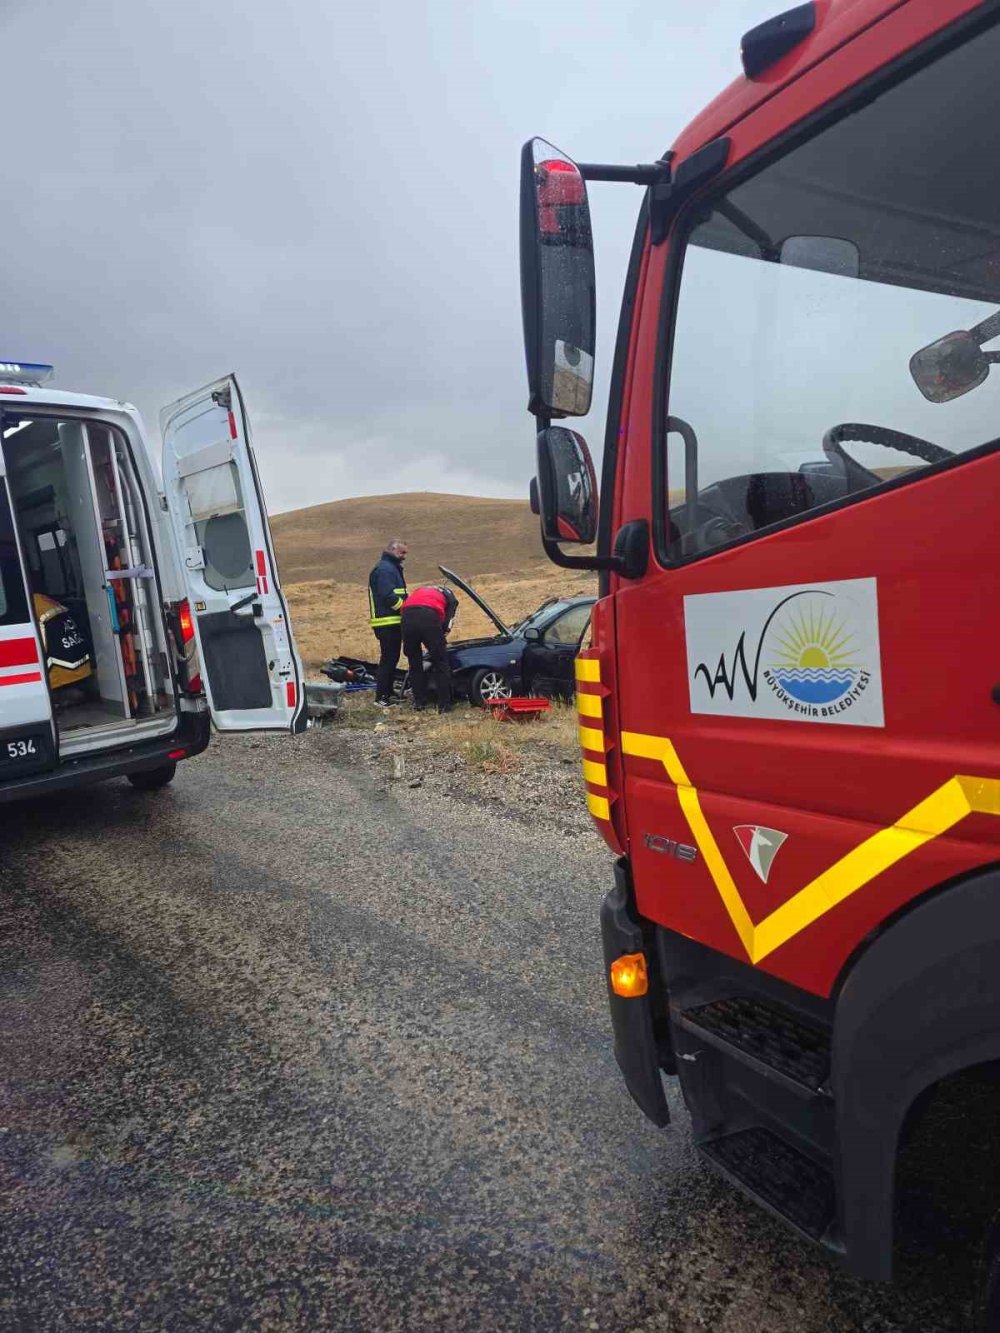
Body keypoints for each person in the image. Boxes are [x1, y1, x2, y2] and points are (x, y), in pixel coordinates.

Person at [401, 583, 458, 714]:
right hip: (428, 616)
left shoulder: (421, 590)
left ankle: (419, 703)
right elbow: (447, 622)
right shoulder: (450, 598)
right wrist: (441, 637)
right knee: (441, 661)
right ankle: (444, 705)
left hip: (407, 617)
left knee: (414, 663)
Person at [367, 539, 408, 706]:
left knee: (392, 658)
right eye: (402, 552)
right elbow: (388, 595)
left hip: (392, 622)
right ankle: (381, 697)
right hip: (387, 622)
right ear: (392, 549)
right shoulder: (385, 569)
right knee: (388, 659)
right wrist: (405, 609)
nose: (404, 556)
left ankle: (389, 692)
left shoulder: (390, 568)